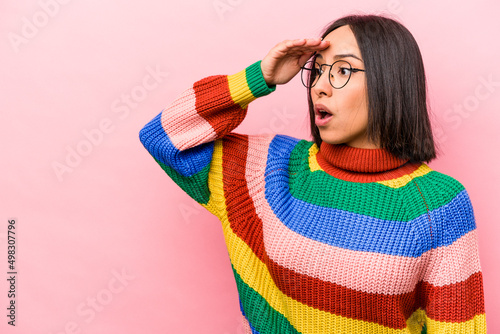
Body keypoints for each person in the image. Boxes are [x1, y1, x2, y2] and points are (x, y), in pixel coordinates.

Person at [139, 14, 486, 334]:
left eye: (342, 71)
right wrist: (259, 77)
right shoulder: (267, 170)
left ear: (389, 81)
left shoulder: (438, 204)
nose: (319, 86)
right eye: (317, 71)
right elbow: (163, 137)